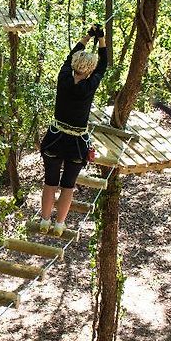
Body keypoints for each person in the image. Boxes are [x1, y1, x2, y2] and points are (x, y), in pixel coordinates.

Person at [39, 24, 107, 236]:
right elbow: (103, 65)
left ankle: (44, 220)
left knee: (50, 182)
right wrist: (102, 39)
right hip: (77, 144)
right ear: (89, 70)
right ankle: (59, 224)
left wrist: (88, 36)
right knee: (68, 185)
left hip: (55, 139)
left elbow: (69, 58)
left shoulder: (64, 77)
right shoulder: (90, 85)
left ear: (75, 65)